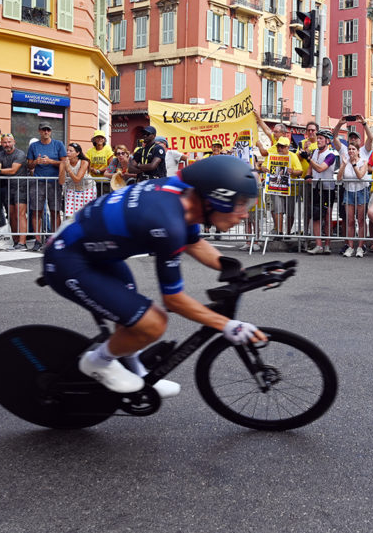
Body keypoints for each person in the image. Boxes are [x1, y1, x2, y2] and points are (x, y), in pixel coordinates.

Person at [43, 156, 264, 395]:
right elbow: (173, 300)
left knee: (131, 321)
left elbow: (194, 242)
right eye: (240, 204)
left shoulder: (184, 199)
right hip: (68, 261)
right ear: (216, 200)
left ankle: (137, 372)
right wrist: (228, 325)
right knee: (152, 323)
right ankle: (97, 361)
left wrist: (235, 269)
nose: (244, 214)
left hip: (96, 254)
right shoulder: (167, 223)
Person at [26, 123, 66, 250]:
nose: (46, 132)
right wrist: (35, 162)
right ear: (39, 131)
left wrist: (50, 161)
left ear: (51, 131)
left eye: (48, 129)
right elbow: (29, 165)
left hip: (54, 181)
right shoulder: (34, 146)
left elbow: (64, 163)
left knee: (55, 211)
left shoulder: (58, 144)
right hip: (38, 181)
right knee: (36, 211)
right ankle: (37, 240)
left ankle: (55, 238)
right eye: (44, 129)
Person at [260, 137, 302, 238]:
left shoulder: (293, 156)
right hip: (276, 189)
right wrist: (264, 168)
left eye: (282, 147)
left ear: (287, 147)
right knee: (278, 210)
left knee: (290, 212)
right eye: (278, 146)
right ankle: (279, 232)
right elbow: (263, 166)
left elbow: (300, 171)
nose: (280, 148)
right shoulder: (272, 156)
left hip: (291, 189)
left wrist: (292, 171)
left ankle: (287, 233)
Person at [304, 129, 337, 255]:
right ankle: (319, 245)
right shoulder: (314, 152)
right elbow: (311, 167)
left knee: (327, 216)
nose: (318, 140)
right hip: (316, 188)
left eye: (321, 138)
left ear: (327, 141)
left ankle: (327, 244)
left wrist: (308, 158)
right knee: (316, 216)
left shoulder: (331, 155)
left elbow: (320, 167)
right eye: (317, 138)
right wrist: (308, 176)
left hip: (327, 189)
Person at [0, 133, 30, 250]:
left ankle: (22, 242)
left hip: (21, 186)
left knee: (20, 214)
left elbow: (13, 170)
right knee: (11, 214)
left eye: (9, 142)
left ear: (14, 142)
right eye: (4, 142)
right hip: (8, 187)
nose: (7, 144)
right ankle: (15, 241)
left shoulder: (20, 154)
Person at [336, 141, 369, 257]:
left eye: (353, 149)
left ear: (358, 151)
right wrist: (343, 165)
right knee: (349, 221)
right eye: (349, 149)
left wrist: (354, 165)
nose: (350, 151)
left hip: (361, 191)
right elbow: (339, 179)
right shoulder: (345, 162)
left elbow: (360, 176)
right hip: (348, 191)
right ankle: (350, 246)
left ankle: (360, 246)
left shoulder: (363, 162)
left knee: (360, 220)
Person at [59, 143, 96, 218]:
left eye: (71, 151)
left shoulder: (84, 162)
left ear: (77, 153)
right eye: (67, 150)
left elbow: (77, 179)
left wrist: (69, 169)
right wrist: (63, 167)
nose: (68, 152)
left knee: (86, 215)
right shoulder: (63, 163)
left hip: (87, 189)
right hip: (71, 189)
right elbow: (61, 181)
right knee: (69, 217)